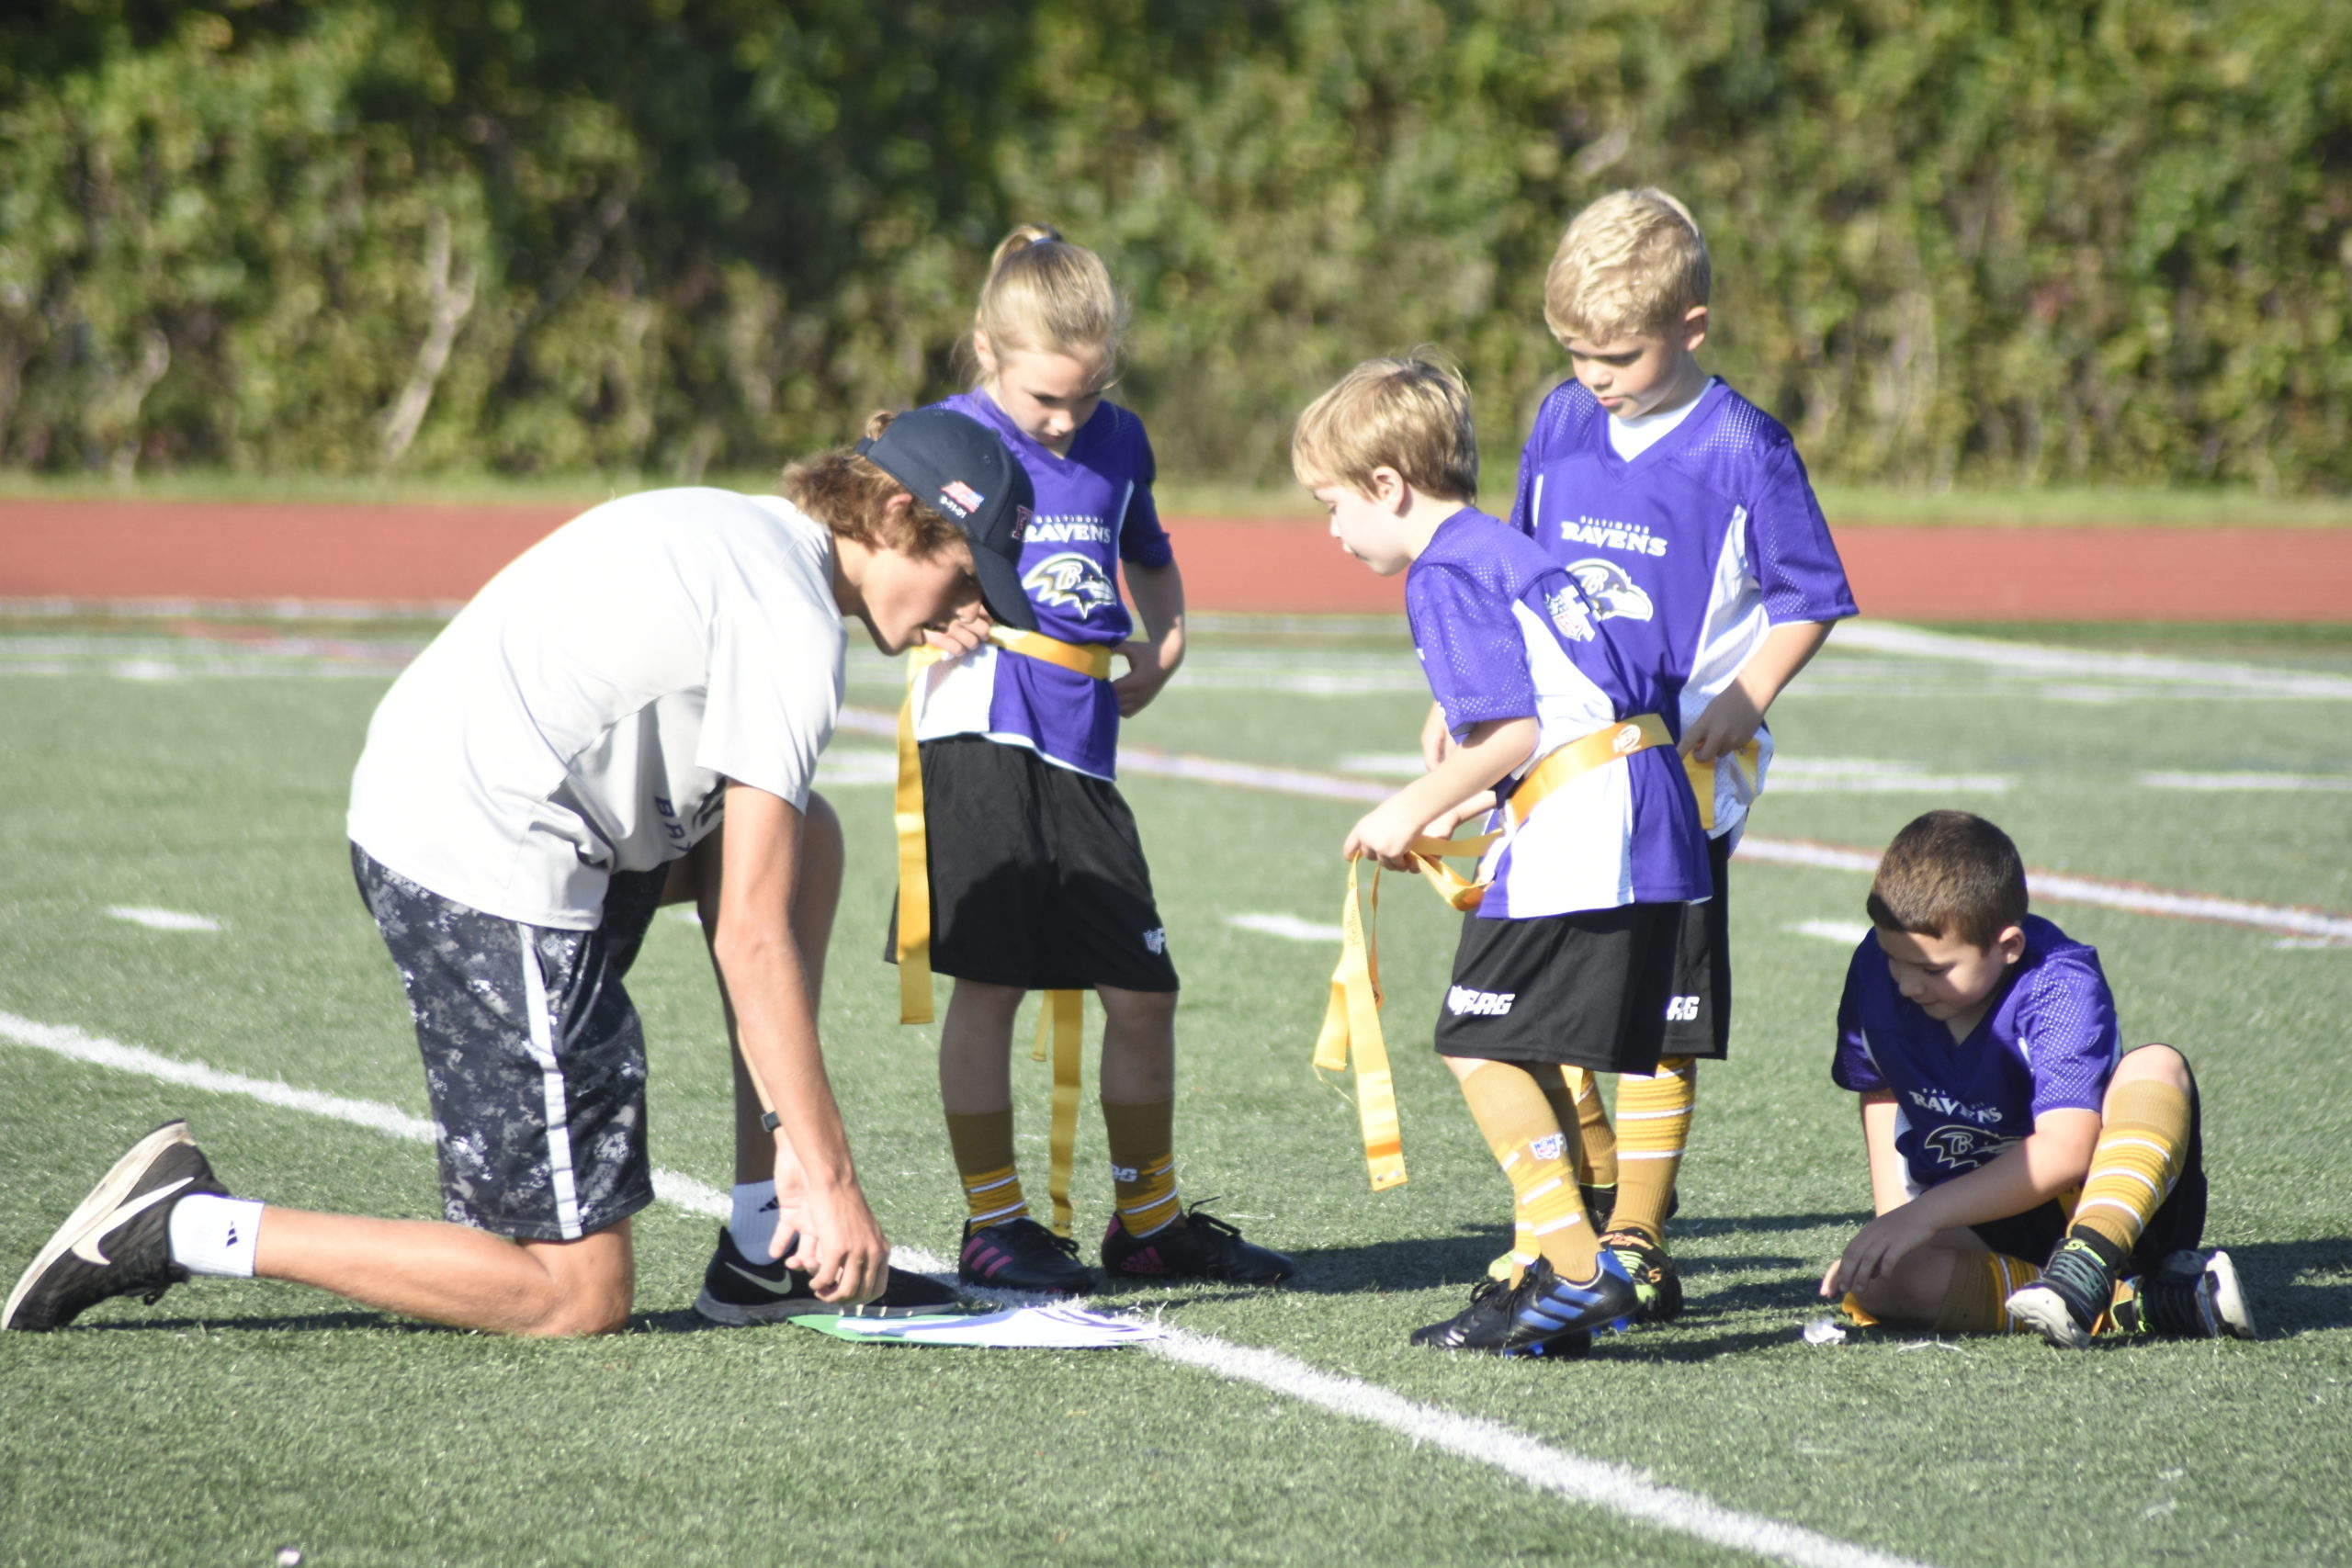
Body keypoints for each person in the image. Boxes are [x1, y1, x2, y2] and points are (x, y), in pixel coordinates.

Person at [4, 409, 1032, 1337]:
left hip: (466, 809)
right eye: (968, 570)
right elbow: (749, 935)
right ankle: (183, 1224)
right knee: (574, 1295)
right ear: (897, 514)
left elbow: (759, 882)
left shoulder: (757, 533)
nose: (973, 604)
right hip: (484, 859)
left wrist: (800, 1163)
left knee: (810, 835)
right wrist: (835, 1177)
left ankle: (766, 1248)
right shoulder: (795, 620)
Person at [876, 223, 1292, 1294]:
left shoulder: (1119, 439)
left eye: (1085, 396)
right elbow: (874, 582)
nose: (1065, 422)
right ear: (985, 353)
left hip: (1083, 745)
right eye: (1043, 400)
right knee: (993, 984)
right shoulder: (939, 443)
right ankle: (995, 1222)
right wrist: (925, 626)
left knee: (1142, 987)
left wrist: (1171, 633)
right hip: (979, 731)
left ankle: (1146, 1222)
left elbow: (1147, 553)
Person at [1474, 186, 1857, 1321]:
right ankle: (1569, 1201)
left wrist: (1747, 693)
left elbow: (1809, 597)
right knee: (1533, 988)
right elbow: (1524, 567)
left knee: (1649, 1006)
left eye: (1619, 355)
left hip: (1678, 784)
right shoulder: (1559, 420)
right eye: (1578, 353)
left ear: (1691, 327)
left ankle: (1635, 1229)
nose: (1596, 376)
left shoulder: (1745, 448)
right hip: (1556, 767)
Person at [1295, 354, 1711, 1358]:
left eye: (1331, 502)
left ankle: (1578, 1269)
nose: (1331, 529)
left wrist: (1410, 807)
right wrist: (1473, 798)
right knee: (1521, 1037)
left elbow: (1514, 733)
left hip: (1588, 823)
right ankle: (1552, 1266)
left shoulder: (1444, 570)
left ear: (1387, 485)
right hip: (1638, 806)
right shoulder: (1508, 549)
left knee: (1475, 1035)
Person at [1820, 810, 2256, 1348]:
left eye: (1933, 970)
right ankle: (2142, 1304)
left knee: (2157, 1063)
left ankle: (2090, 1265)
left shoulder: (2058, 983)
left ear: (2008, 947)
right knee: (1879, 1284)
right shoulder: (1875, 967)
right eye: (1895, 959)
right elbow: (1879, 1085)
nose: (1907, 984)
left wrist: (1926, 1214)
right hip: (1984, 1210)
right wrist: (1895, 1221)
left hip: (2104, 1208)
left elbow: (2067, 1148)